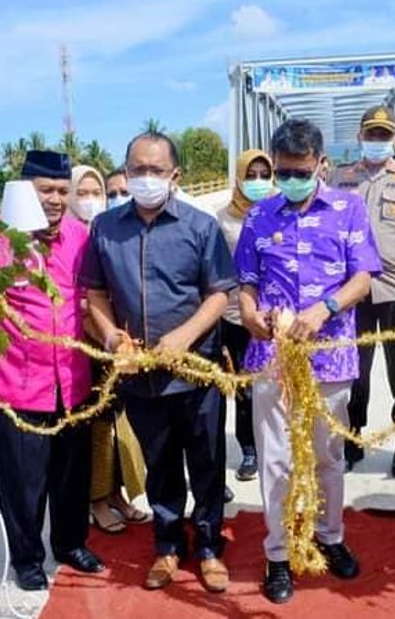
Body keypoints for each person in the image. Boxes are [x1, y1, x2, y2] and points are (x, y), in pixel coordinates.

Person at [81, 132, 237, 593]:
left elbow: (218, 293)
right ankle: (168, 547)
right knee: (160, 464)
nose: (145, 178)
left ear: (174, 175)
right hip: (140, 377)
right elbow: (94, 293)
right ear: (125, 172)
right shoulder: (106, 229)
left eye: (154, 170)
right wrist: (110, 335)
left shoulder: (199, 225)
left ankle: (209, 546)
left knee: (207, 461)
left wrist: (185, 336)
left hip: (196, 371)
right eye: (136, 169)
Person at [235, 119, 382, 604]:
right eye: (282, 171)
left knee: (327, 458)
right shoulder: (260, 216)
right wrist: (250, 310)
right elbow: (247, 280)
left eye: (299, 170)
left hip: (331, 355)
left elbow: (363, 278)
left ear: (321, 164)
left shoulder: (348, 208)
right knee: (275, 461)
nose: (290, 179)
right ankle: (278, 554)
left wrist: (326, 308)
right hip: (271, 357)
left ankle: (330, 536)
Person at [0, 150, 104, 591]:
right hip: (13, 384)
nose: (55, 200)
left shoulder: (79, 236)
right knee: (22, 480)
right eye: (46, 190)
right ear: (23, 188)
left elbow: (90, 297)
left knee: (71, 474)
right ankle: (27, 558)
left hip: (71, 378)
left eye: (62, 192)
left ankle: (70, 544)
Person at [330, 105, 395, 477]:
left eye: (384, 135)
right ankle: (352, 435)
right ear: (359, 137)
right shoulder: (339, 179)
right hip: (352, 288)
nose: (377, 141)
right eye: (371, 134)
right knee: (353, 369)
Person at [68, 164, 150, 534]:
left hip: (118, 339)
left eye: (96, 193)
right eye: (81, 193)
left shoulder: (109, 233)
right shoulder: (65, 238)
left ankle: (118, 493)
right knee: (94, 423)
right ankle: (96, 499)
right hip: (83, 344)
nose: (92, 201)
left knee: (119, 419)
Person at [216, 149, 275, 482]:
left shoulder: (281, 212)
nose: (257, 182)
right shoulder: (223, 219)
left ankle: (279, 446)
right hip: (238, 316)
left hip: (278, 316)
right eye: (249, 175)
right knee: (245, 387)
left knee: (278, 384)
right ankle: (250, 449)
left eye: (263, 175)